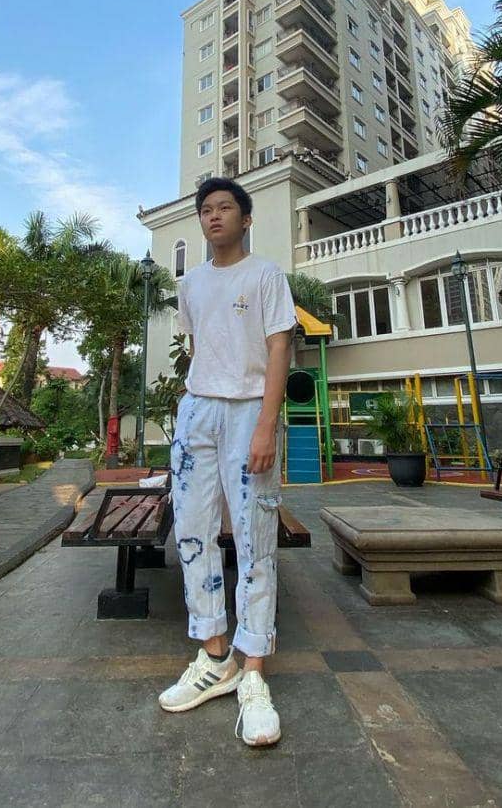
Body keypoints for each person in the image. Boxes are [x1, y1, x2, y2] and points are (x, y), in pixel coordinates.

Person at [158, 177, 297, 747]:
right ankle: (215, 656)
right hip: (198, 411)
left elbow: (280, 348)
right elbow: (198, 348)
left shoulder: (265, 275)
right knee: (192, 532)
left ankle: (254, 670)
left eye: (224, 208)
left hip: (249, 412)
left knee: (254, 535)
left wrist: (265, 424)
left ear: (245, 218)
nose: (213, 216)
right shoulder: (190, 283)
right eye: (206, 210)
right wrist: (196, 404)